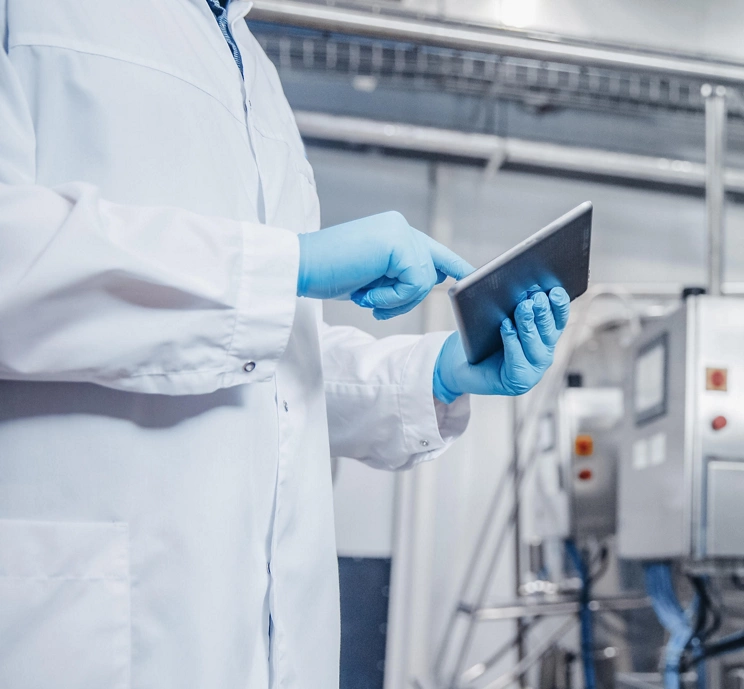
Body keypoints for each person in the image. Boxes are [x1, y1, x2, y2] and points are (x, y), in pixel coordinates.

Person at [0, 1, 568, 688]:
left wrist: (438, 372)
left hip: (261, 637)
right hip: (84, 629)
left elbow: (271, 358)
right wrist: (286, 265)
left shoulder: (254, 73)